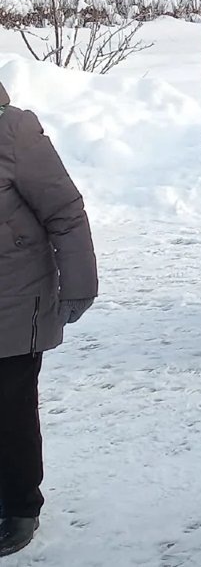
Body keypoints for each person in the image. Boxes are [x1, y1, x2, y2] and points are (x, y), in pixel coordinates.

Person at [0, 82, 98, 558]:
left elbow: (65, 211)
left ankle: (19, 504)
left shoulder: (14, 129)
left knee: (10, 409)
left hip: (12, 298)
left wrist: (79, 284)